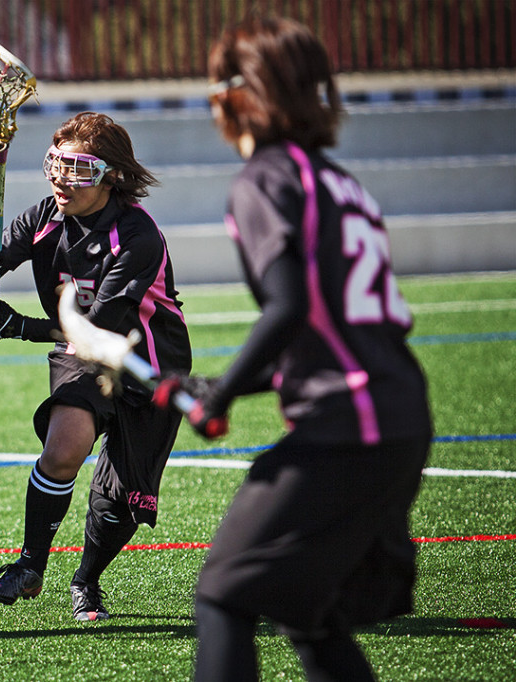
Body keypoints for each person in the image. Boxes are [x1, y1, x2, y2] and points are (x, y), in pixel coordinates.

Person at [154, 16, 433, 681]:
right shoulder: (339, 181)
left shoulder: (265, 180)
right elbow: (334, 330)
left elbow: (290, 308)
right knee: (309, 612)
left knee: (223, 594)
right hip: (399, 418)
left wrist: (217, 399)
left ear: (239, 96)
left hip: (348, 429)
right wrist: (222, 384)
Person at [0, 112, 193, 621]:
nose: (60, 177)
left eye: (77, 168)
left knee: (119, 501)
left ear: (110, 175)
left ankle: (87, 579)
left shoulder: (138, 236)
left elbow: (98, 328)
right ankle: (30, 564)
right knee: (65, 449)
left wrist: (21, 328)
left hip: (147, 361)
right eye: (56, 163)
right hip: (81, 358)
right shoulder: (41, 218)